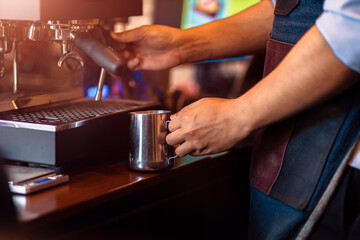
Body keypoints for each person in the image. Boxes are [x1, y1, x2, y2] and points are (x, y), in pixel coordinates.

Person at [110, 0, 360, 239]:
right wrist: (182, 45)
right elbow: (290, 9)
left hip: (345, 170)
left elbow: (351, 28)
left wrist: (237, 116)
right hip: (292, 157)